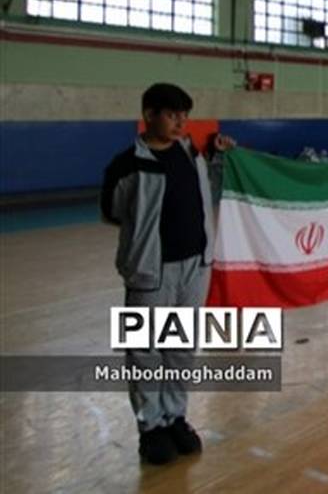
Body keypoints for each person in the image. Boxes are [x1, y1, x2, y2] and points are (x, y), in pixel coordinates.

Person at [100, 83, 235, 466]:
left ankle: (174, 417)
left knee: (181, 347)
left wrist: (217, 153)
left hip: (195, 266)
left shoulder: (191, 152)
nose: (180, 122)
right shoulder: (127, 165)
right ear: (149, 115)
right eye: (172, 115)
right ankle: (151, 427)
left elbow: (204, 191)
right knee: (145, 350)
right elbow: (113, 211)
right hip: (150, 270)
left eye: (184, 116)